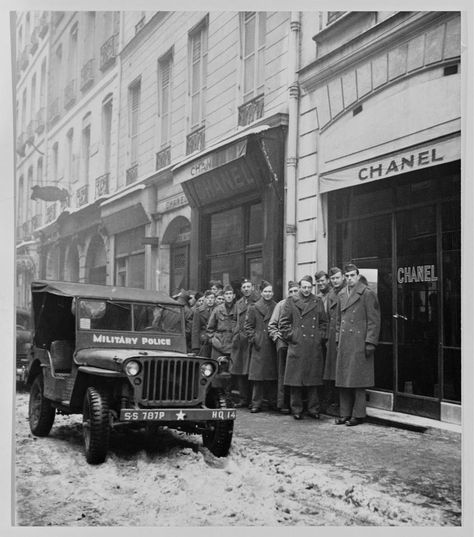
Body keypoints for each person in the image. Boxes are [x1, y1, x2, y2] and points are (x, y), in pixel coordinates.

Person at [335, 263, 381, 427]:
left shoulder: (367, 294)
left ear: (358, 275)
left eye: (352, 275)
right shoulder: (342, 294)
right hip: (345, 343)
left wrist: (370, 342)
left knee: (358, 381)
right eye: (346, 276)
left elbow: (374, 321)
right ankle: (344, 413)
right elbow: (338, 321)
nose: (349, 279)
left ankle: (358, 414)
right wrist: (337, 339)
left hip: (360, 343)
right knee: (344, 380)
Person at [279, 275, 328, 420]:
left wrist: (320, 337)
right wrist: (293, 336)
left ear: (312, 287)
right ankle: (297, 409)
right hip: (297, 345)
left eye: (309, 287)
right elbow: (283, 324)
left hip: (313, 345)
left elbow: (324, 322)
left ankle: (313, 409)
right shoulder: (291, 301)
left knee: (313, 380)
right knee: (296, 380)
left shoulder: (317, 301)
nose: (306, 290)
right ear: (300, 287)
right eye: (304, 287)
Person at [244, 280, 278, 413]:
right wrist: (255, 339)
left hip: (271, 343)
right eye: (265, 291)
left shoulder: (277, 306)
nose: (268, 294)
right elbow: (248, 327)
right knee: (258, 378)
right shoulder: (254, 307)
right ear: (261, 292)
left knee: (271, 377)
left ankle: (272, 402)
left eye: (270, 291)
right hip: (259, 345)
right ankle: (256, 403)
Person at [268, 280, 299, 414]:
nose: (293, 294)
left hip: (297, 343)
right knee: (283, 374)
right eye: (290, 291)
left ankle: (296, 404)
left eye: (295, 291)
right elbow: (272, 325)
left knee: (296, 374)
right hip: (284, 343)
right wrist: (277, 338)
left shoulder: (302, 304)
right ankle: (282, 403)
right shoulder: (281, 305)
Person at [230, 278, 259, 407]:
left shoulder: (257, 301)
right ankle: (243, 399)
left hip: (252, 340)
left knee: (252, 372)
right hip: (240, 341)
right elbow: (234, 319)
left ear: (252, 287)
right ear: (241, 290)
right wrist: (235, 332)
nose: (246, 289)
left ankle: (253, 400)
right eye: (244, 287)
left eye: (248, 286)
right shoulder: (238, 303)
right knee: (241, 371)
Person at [322, 267, 346, 414]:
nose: (335, 281)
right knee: (331, 372)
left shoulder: (346, 292)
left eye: (337, 278)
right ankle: (332, 402)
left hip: (343, 335)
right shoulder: (331, 294)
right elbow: (325, 318)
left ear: (342, 277)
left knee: (341, 371)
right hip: (331, 337)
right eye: (333, 279)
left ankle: (341, 403)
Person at [206, 285, 237, 360]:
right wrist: (213, 340)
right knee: (216, 367)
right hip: (219, 344)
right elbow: (210, 328)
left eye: (230, 294)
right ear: (223, 296)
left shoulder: (238, 310)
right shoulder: (217, 310)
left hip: (233, 344)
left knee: (233, 369)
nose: (228, 296)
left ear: (234, 296)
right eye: (226, 294)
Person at [191, 290, 215, 357]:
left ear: (215, 299)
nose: (210, 300)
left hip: (215, 341)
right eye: (208, 298)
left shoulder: (218, 310)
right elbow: (195, 330)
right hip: (203, 341)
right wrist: (195, 347)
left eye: (212, 298)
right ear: (204, 299)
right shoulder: (198, 311)